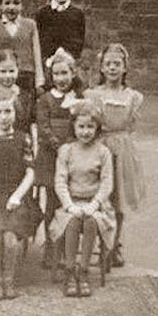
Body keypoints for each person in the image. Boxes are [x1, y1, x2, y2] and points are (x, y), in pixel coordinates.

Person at [0, 95, 42, 301]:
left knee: (10, 238)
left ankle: (9, 280)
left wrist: (18, 196)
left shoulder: (23, 138)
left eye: (8, 111)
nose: (3, 117)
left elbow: (30, 172)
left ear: (15, 113)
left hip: (16, 196)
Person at [84, 43, 144, 267]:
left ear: (125, 68)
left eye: (117, 64)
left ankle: (113, 246)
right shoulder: (93, 94)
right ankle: (101, 243)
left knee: (118, 202)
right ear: (101, 68)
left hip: (123, 150)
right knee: (99, 198)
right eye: (108, 64)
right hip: (100, 148)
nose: (112, 68)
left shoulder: (132, 97)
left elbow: (131, 126)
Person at [49, 100, 116, 297]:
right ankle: (70, 271)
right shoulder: (66, 151)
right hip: (71, 204)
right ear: (74, 127)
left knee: (90, 222)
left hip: (97, 204)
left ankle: (84, 270)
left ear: (97, 128)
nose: (85, 132)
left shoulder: (103, 152)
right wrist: (69, 206)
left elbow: (107, 183)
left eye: (90, 127)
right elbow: (60, 181)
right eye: (81, 126)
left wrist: (94, 204)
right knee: (73, 221)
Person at [36, 48, 82, 268]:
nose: (61, 79)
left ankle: (66, 247)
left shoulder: (78, 99)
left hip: (74, 157)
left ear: (73, 74)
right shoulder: (45, 99)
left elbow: (82, 124)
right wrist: (59, 146)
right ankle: (51, 247)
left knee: (69, 203)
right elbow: (43, 127)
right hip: (51, 156)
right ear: (50, 76)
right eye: (56, 74)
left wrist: (73, 147)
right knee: (53, 203)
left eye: (65, 73)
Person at [0, 0, 44, 96]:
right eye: (7, 3)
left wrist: (39, 80)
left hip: (26, 76)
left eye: (16, 3)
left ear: (22, 5)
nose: (12, 7)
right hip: (3, 77)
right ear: (0, 5)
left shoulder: (30, 25)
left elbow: (37, 54)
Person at [0, 49, 37, 149]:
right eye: (3, 71)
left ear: (18, 70)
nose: (7, 76)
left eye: (11, 71)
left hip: (21, 145)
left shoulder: (26, 96)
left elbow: (31, 123)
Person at [35, 0, 85, 64]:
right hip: (48, 61)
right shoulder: (42, 13)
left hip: (69, 61)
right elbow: (41, 39)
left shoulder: (77, 13)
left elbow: (78, 41)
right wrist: (52, 56)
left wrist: (65, 54)